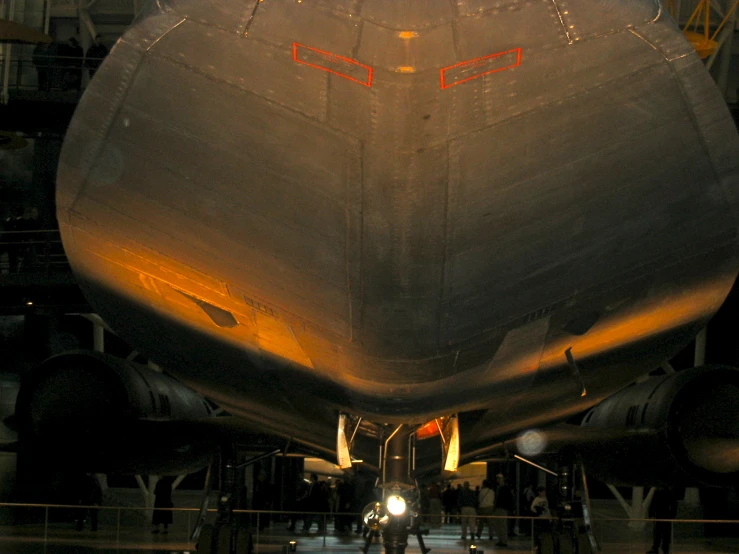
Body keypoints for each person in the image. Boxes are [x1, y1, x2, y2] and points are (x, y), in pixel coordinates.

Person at [647, 487, 677, 554]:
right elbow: (673, 504)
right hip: (662, 515)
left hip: (663, 515)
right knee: (661, 533)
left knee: (662, 533)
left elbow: (653, 502)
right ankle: (659, 548)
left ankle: (660, 548)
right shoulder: (667, 491)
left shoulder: (662, 491)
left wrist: (651, 513)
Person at [493, 473, 514, 547]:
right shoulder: (499, 488)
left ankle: (504, 541)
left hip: (503, 508)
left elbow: (509, 498)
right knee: (498, 525)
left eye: (499, 478)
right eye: (497, 478)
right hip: (499, 508)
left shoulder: (505, 488)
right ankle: (501, 539)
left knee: (502, 525)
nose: (498, 480)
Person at [531, 486, 550, 554]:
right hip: (540, 518)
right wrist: (538, 511)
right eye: (542, 492)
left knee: (545, 533)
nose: (544, 493)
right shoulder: (537, 499)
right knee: (539, 533)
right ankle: (537, 545)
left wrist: (549, 517)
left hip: (546, 518)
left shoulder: (546, 499)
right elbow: (532, 508)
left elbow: (548, 510)